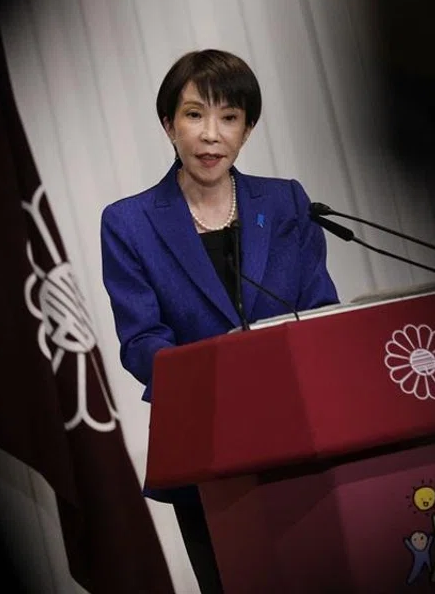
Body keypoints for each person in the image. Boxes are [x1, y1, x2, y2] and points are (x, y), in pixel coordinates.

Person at [99, 49, 340, 593]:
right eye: (194, 115)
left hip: (302, 436)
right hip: (206, 449)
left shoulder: (285, 203)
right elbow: (140, 341)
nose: (212, 135)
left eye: (229, 117)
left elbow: (322, 310)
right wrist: (211, 381)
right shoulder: (129, 222)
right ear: (169, 125)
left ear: (248, 129)